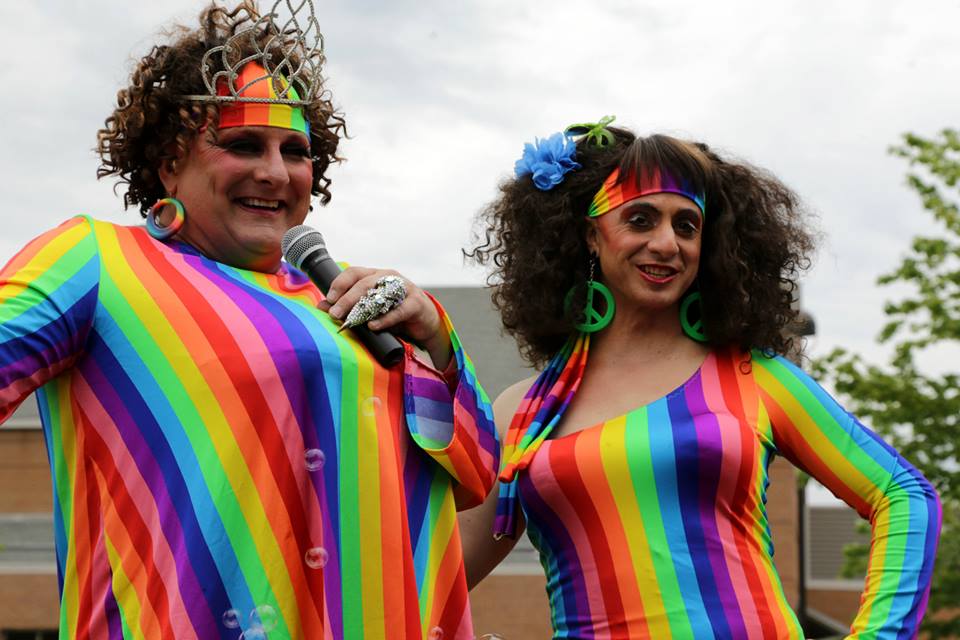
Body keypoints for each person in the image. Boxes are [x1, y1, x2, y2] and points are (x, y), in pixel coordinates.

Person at [0, 2, 498, 638]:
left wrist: (435, 335)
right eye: (242, 144)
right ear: (168, 161)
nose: (274, 171)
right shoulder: (97, 260)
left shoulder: (356, 295)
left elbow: (478, 474)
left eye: (296, 151)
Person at [460, 118, 941, 639]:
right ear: (589, 236)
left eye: (686, 225)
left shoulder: (753, 377)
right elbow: (439, 577)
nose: (667, 243)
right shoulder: (524, 413)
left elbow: (902, 492)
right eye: (640, 220)